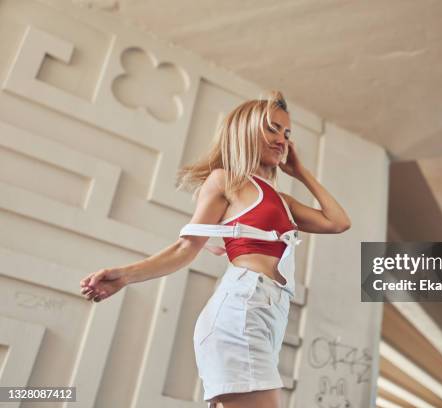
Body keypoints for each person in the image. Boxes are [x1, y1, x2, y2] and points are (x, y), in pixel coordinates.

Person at [79, 90, 351, 408]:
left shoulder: (282, 200)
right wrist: (124, 276)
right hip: (242, 310)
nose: (283, 140)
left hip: (270, 316)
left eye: (287, 133)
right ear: (245, 131)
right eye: (273, 128)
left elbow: (338, 222)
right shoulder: (227, 181)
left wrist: (301, 172)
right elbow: (185, 248)